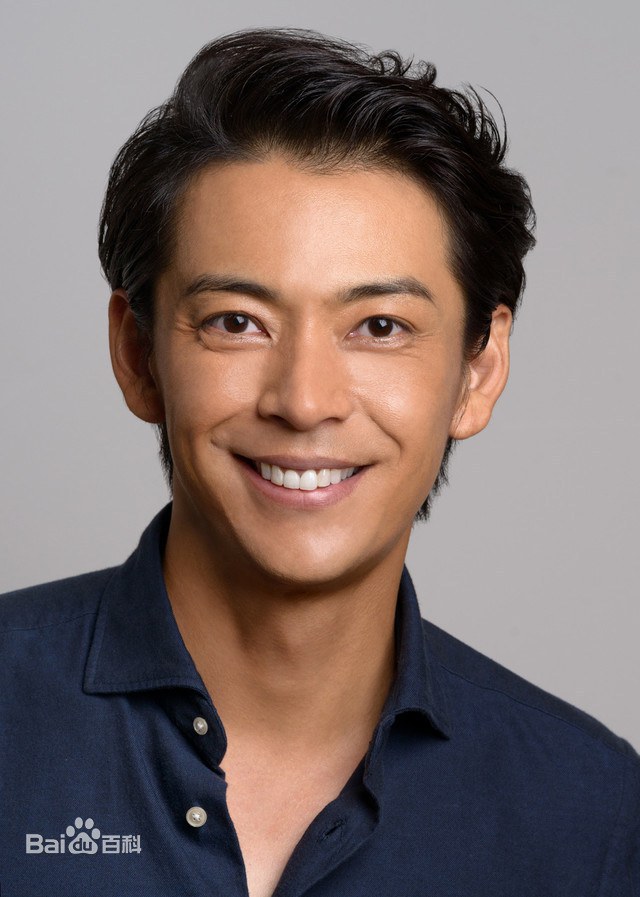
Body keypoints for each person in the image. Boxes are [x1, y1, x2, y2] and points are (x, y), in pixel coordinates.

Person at [1, 27, 638, 897]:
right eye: (236, 322)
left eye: (379, 326)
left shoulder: (589, 811)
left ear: (479, 371)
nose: (304, 401)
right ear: (138, 353)